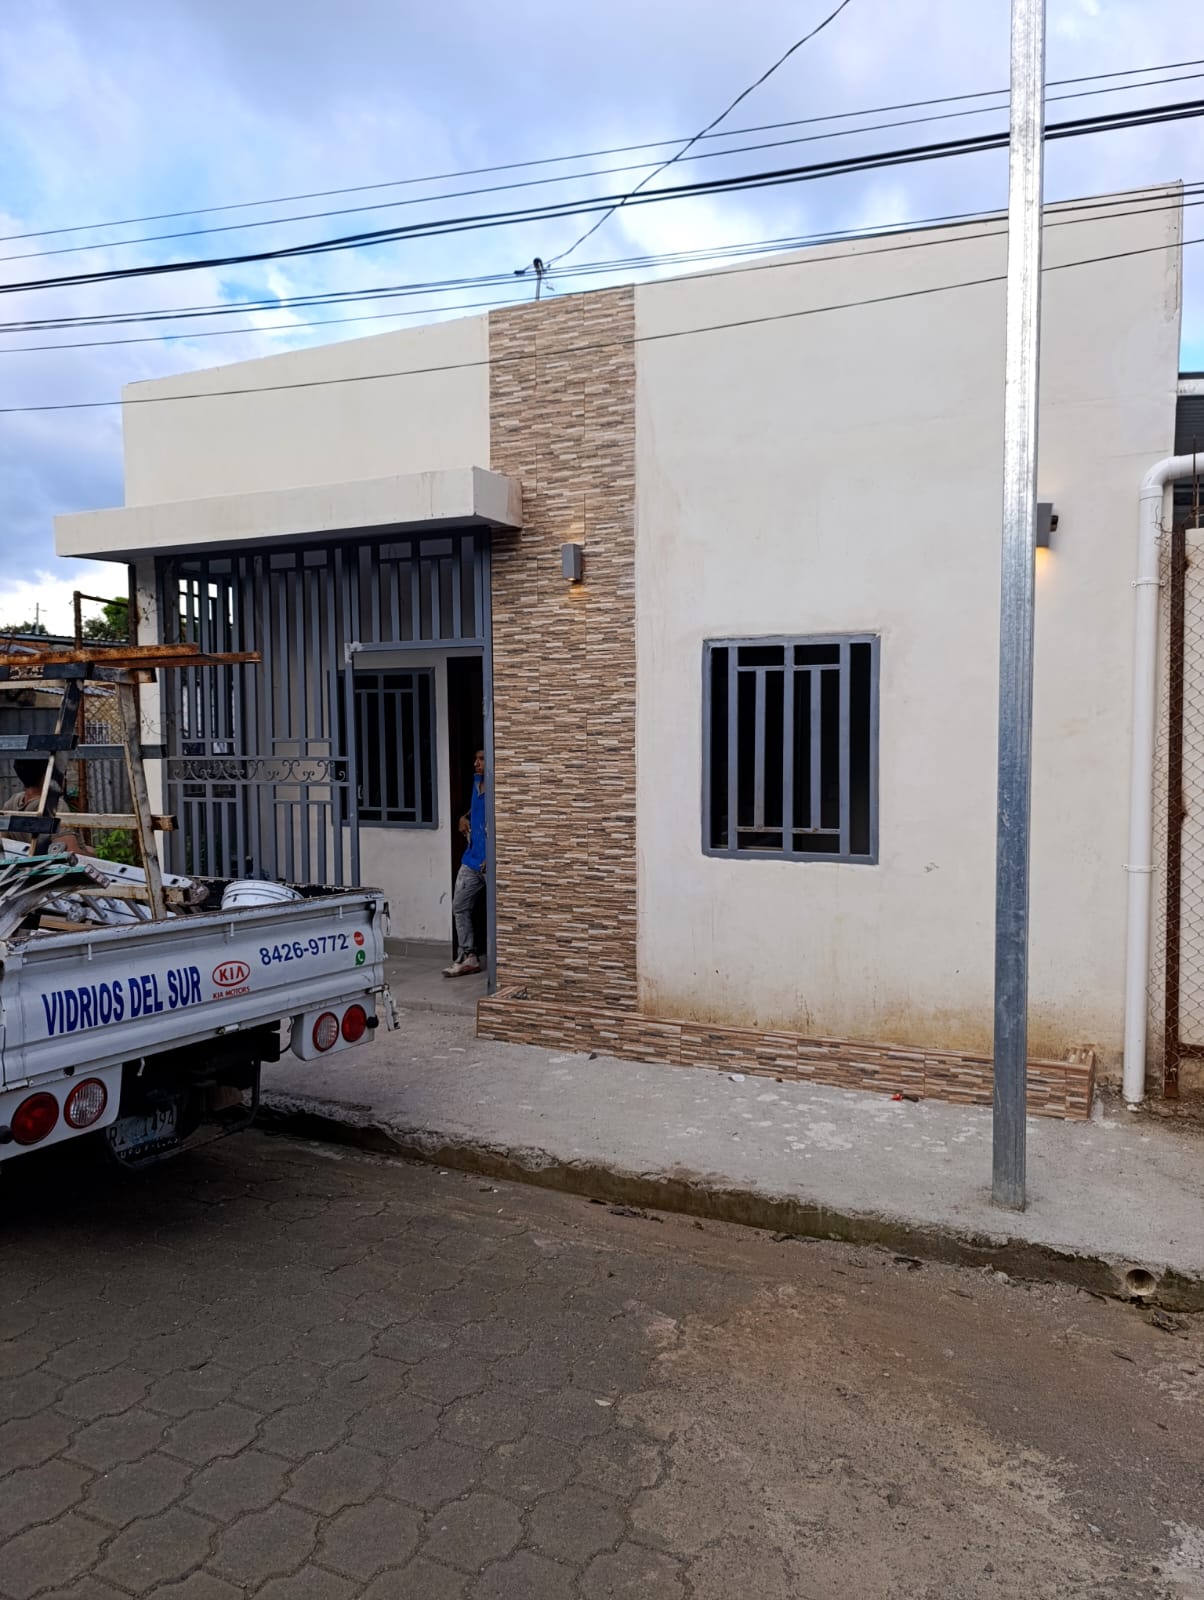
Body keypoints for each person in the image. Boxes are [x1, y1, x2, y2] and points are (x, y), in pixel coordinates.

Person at [445, 748, 487, 977]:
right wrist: (464, 817)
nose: (476, 764)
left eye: (482, 759)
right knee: (460, 905)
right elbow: (478, 806)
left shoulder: (500, 786)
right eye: (476, 759)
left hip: (490, 861)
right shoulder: (477, 782)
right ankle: (468, 956)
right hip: (472, 859)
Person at [1, 758, 94, 856]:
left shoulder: (13, 801)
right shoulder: (54, 806)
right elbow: (69, 853)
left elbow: (5, 842)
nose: (64, 776)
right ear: (47, 775)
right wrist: (92, 854)